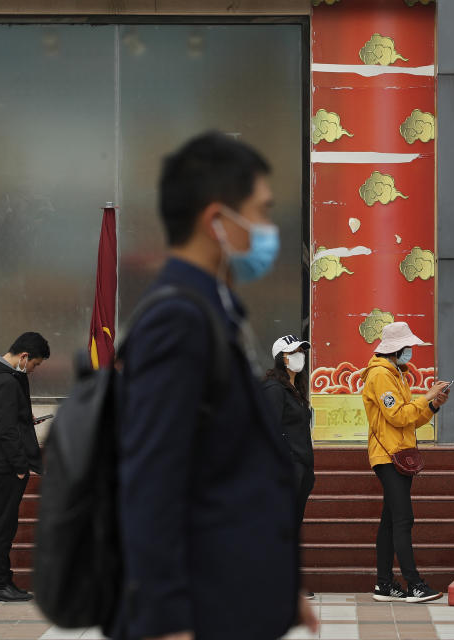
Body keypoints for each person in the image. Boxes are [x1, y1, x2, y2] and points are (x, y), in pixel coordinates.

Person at [116, 132, 317, 640]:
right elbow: (152, 477)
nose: (271, 229)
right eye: (263, 212)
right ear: (217, 222)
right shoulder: (179, 319)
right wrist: (167, 621)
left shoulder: (214, 310)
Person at [362, 321, 450, 603]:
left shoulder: (396, 374)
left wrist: (433, 404)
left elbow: (412, 417)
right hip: (388, 455)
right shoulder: (380, 375)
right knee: (403, 519)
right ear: (395, 349)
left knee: (390, 521)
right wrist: (427, 397)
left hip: (398, 452)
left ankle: (384, 585)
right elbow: (397, 416)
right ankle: (414, 584)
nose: (411, 351)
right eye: (408, 346)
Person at [0, 332, 50, 602]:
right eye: (35, 364)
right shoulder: (5, 381)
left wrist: (25, 420)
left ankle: (3, 581)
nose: (33, 370)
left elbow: (4, 420)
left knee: (1, 524)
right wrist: (19, 465)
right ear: (24, 356)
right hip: (5, 466)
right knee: (4, 526)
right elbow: (5, 430)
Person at [262, 334, 314, 590]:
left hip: (302, 466)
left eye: (301, 352)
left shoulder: (297, 390)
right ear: (281, 359)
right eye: (293, 352)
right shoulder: (274, 389)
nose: (299, 357)